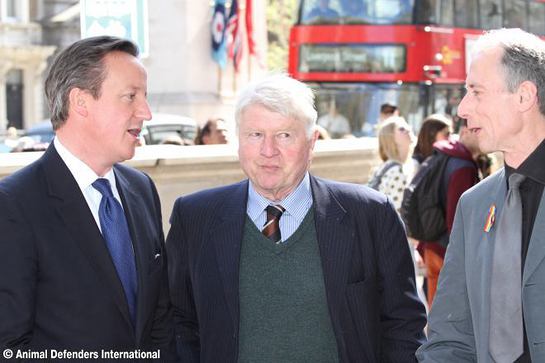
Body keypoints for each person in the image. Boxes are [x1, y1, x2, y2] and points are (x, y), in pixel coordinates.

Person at [167, 74, 426, 362]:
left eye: (284, 135)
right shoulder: (195, 218)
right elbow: (177, 324)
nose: (268, 151)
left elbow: (404, 326)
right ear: (239, 140)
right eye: (255, 135)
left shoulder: (370, 215)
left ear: (312, 142)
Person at [0, 36, 175, 358]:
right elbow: (9, 346)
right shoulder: (13, 206)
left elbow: (160, 319)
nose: (146, 112)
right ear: (80, 102)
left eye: (145, 97)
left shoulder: (141, 190)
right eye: (130, 97)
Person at [417, 28, 545, 362]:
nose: (461, 108)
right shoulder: (474, 204)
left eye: (476, 92)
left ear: (524, 96)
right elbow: (451, 336)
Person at [417, 118, 480, 308]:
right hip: (447, 254)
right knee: (446, 316)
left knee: (436, 314)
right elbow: (457, 221)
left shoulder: (443, 156)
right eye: (477, 129)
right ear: (464, 132)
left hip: (432, 246)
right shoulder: (463, 166)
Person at [368, 116, 414, 211]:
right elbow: (396, 214)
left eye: (407, 126)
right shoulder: (397, 171)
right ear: (391, 138)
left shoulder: (386, 166)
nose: (408, 129)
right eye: (402, 129)